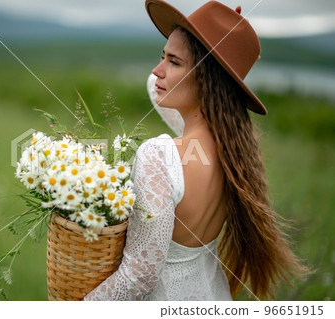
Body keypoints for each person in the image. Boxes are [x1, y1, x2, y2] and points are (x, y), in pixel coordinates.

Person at [84, 0, 308, 301]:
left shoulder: (159, 156)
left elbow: (140, 274)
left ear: (207, 78)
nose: (157, 70)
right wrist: (185, 57)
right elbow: (156, 84)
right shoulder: (236, 152)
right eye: (161, 57)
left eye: (173, 62)